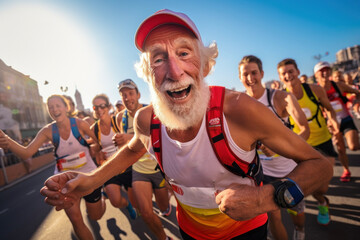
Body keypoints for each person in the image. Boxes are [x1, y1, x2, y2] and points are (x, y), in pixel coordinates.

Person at [40, 9, 332, 240]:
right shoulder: (146, 120)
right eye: (159, 59)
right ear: (149, 74)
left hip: (245, 232)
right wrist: (89, 182)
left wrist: (266, 198)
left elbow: (320, 165)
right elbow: (132, 150)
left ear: (205, 66)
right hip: (190, 232)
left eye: (184, 53)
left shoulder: (240, 111)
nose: (174, 71)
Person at [0, 95, 105, 240]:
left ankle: (102, 199)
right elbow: (27, 153)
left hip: (88, 176)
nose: (54, 109)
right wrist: (8, 142)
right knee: (76, 219)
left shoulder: (80, 124)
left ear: (66, 107)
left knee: (96, 216)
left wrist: (95, 148)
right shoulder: (47, 131)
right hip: (65, 181)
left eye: (58, 105)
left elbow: (98, 142)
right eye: (50, 107)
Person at [239, 55, 309, 240]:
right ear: (239, 77)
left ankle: (300, 232)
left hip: (290, 171)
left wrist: (279, 149)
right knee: (274, 216)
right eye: (245, 74)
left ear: (262, 73)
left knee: (296, 215)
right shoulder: (239, 105)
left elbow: (305, 130)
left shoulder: (280, 97)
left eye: (254, 73)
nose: (250, 78)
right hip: (263, 175)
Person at [277, 58, 340, 226]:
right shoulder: (280, 98)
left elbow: (329, 109)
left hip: (323, 141)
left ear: (298, 72)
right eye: (284, 73)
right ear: (280, 77)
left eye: (291, 71)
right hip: (301, 147)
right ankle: (320, 204)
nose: (288, 76)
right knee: (309, 184)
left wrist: (334, 123)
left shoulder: (315, 90)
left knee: (322, 187)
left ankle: (322, 200)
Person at [114, 79, 171, 239]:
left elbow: (161, 137)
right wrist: (120, 143)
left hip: (157, 168)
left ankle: (166, 207)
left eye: (131, 93)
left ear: (138, 95)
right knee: (145, 212)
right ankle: (164, 238)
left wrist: (128, 137)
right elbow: (127, 146)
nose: (127, 98)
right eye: (123, 95)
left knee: (163, 206)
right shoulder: (121, 118)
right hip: (139, 170)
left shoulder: (150, 112)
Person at [90, 94, 137, 219]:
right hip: (109, 168)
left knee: (139, 203)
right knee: (116, 202)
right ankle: (127, 205)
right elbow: (96, 148)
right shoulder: (94, 129)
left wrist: (126, 138)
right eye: (96, 107)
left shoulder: (118, 120)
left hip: (127, 166)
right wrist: (95, 150)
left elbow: (137, 136)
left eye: (102, 106)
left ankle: (136, 206)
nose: (99, 110)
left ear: (108, 106)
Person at [314, 61, 360, 182]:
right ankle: (346, 171)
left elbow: (357, 93)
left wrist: (355, 102)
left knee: (353, 146)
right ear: (316, 75)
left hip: (346, 119)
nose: (325, 73)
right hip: (331, 123)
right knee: (340, 149)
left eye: (327, 70)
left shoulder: (338, 85)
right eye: (321, 71)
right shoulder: (315, 90)